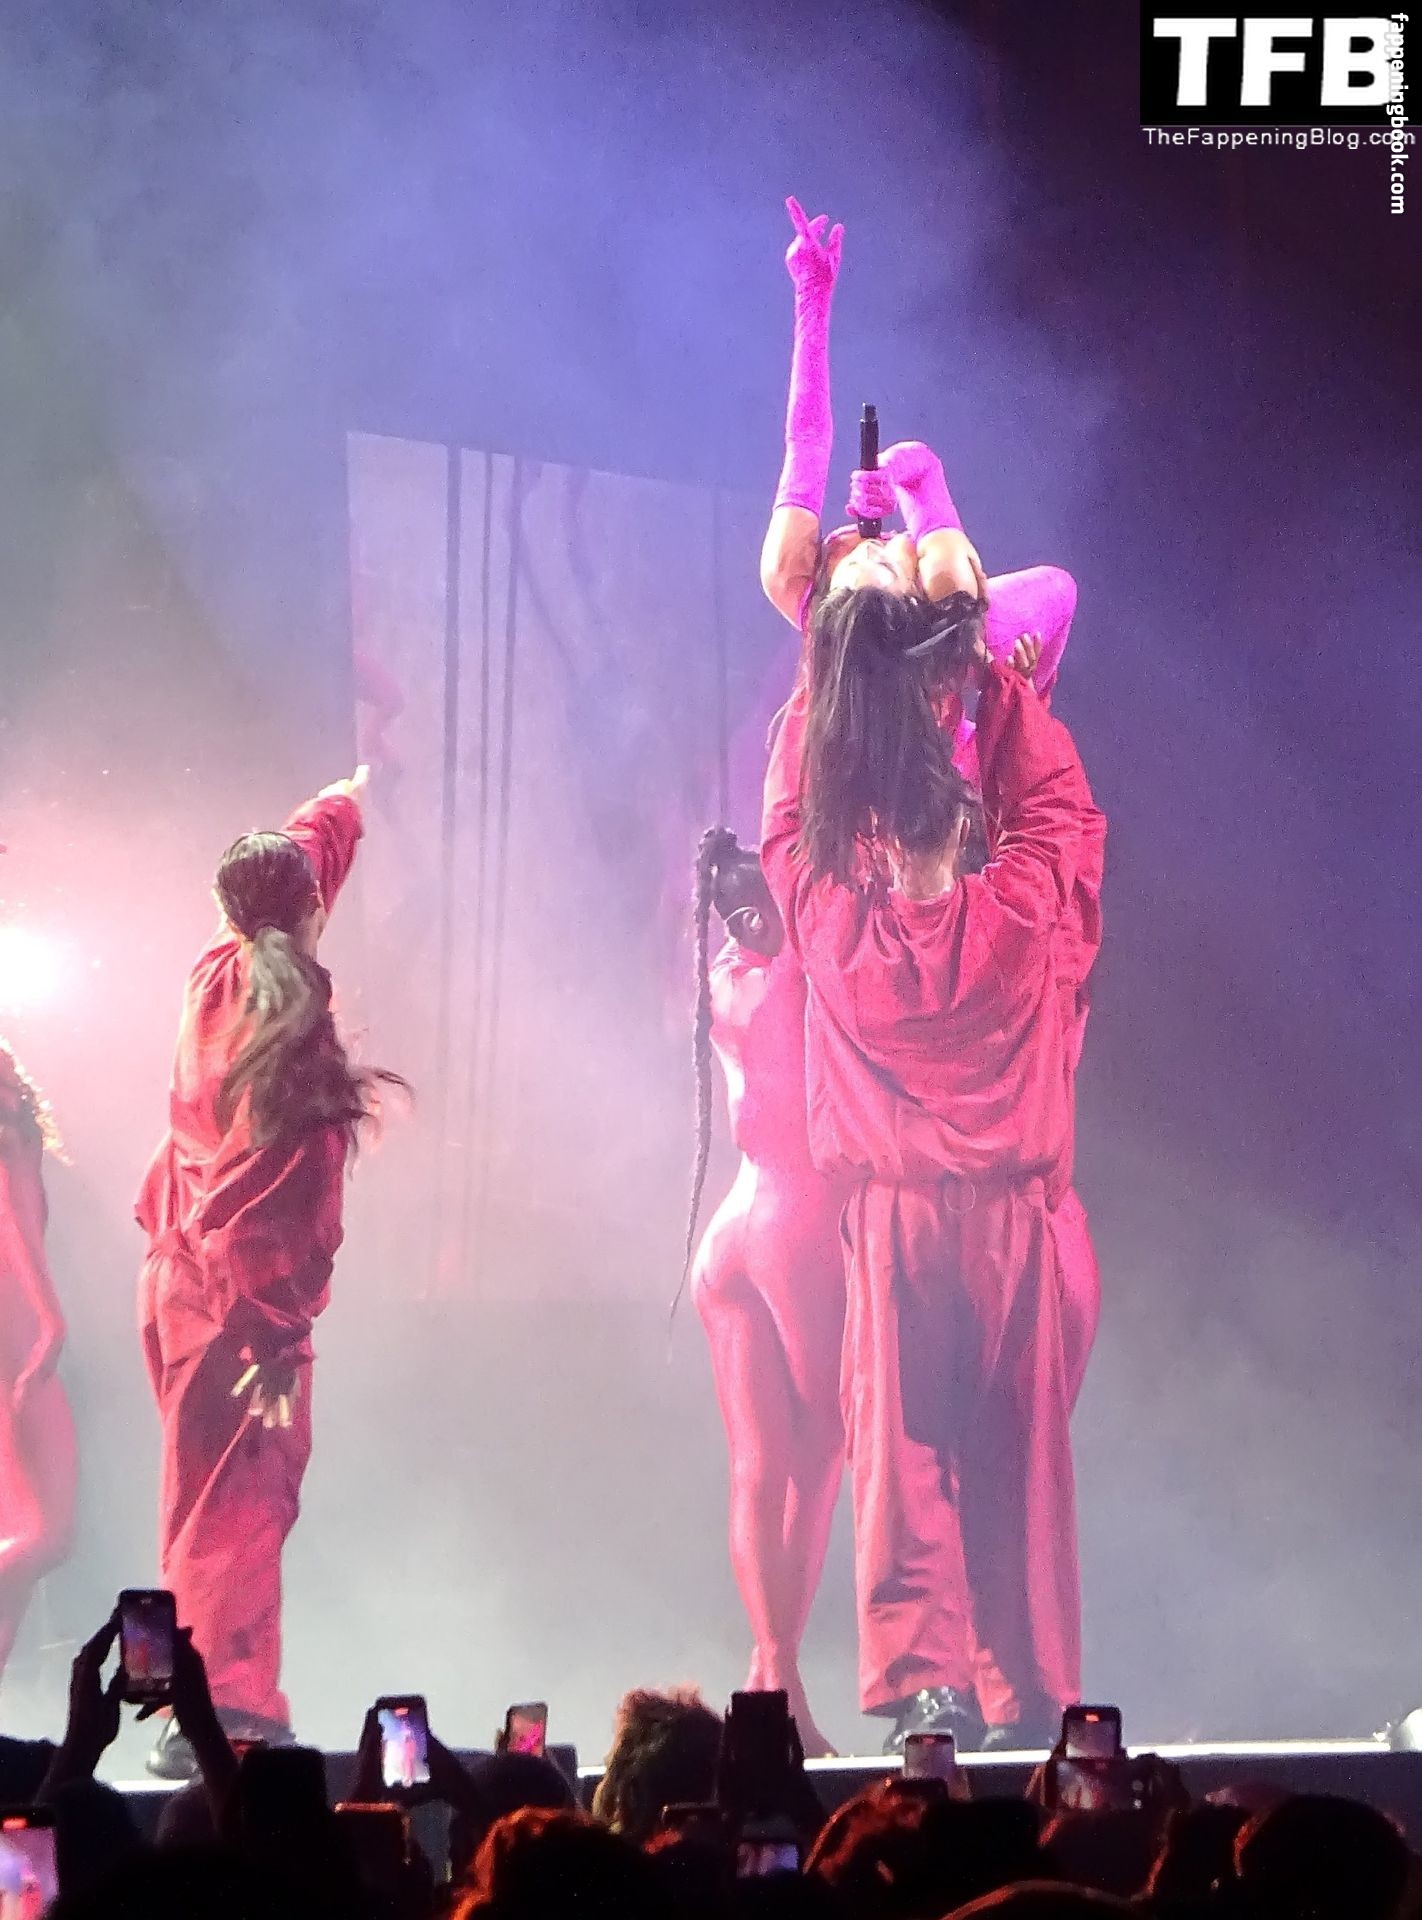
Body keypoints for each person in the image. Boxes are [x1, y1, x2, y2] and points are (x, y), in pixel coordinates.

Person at [759, 408, 1105, 1765]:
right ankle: (1027, 1688)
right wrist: (970, 675)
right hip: (1015, 1224)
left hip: (898, 1225)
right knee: (1020, 1458)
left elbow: (791, 810)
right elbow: (1059, 812)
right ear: (967, 836)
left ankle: (925, 1692)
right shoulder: (1023, 916)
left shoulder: (834, 928)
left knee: (902, 1464)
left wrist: (848, 669)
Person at [136, 766, 402, 1777]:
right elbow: (262, 1201)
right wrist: (273, 1338)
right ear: (311, 912)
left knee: (200, 1498)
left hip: (180, 1285)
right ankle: (222, 1717)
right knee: (237, 1507)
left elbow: (299, 863)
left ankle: (195, 1706)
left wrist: (343, 804)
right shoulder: (289, 1037)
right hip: (234, 1307)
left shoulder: (219, 963)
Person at [685, 829, 849, 1756]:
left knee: (756, 1465)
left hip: (734, 1225)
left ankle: (766, 1676)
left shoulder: (723, 977)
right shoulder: (803, 973)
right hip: (796, 1221)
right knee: (823, 1447)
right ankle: (779, 1674)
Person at [0, 1042, 78, 1681]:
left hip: (15, 1326)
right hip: (17, 1331)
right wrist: (51, 1321)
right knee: (45, 1532)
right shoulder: (7, 1127)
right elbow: (15, 1224)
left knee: (30, 1532)